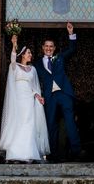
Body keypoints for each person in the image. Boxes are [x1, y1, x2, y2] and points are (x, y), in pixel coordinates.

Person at [0, 34, 50, 163]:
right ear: (22, 54)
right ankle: (15, 154)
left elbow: (35, 86)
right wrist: (14, 45)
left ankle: (28, 154)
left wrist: (37, 96)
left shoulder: (32, 69)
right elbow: (12, 58)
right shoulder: (14, 67)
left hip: (29, 99)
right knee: (18, 124)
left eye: (30, 53)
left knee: (29, 125)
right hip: (18, 100)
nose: (30, 55)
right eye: (28, 52)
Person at [35, 22, 82, 161]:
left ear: (54, 48)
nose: (49, 48)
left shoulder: (60, 57)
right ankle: (53, 154)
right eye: (46, 46)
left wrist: (70, 33)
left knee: (70, 122)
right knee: (51, 125)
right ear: (43, 48)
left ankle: (76, 151)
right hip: (49, 97)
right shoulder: (37, 64)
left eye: (51, 46)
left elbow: (72, 49)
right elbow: (32, 79)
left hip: (64, 93)